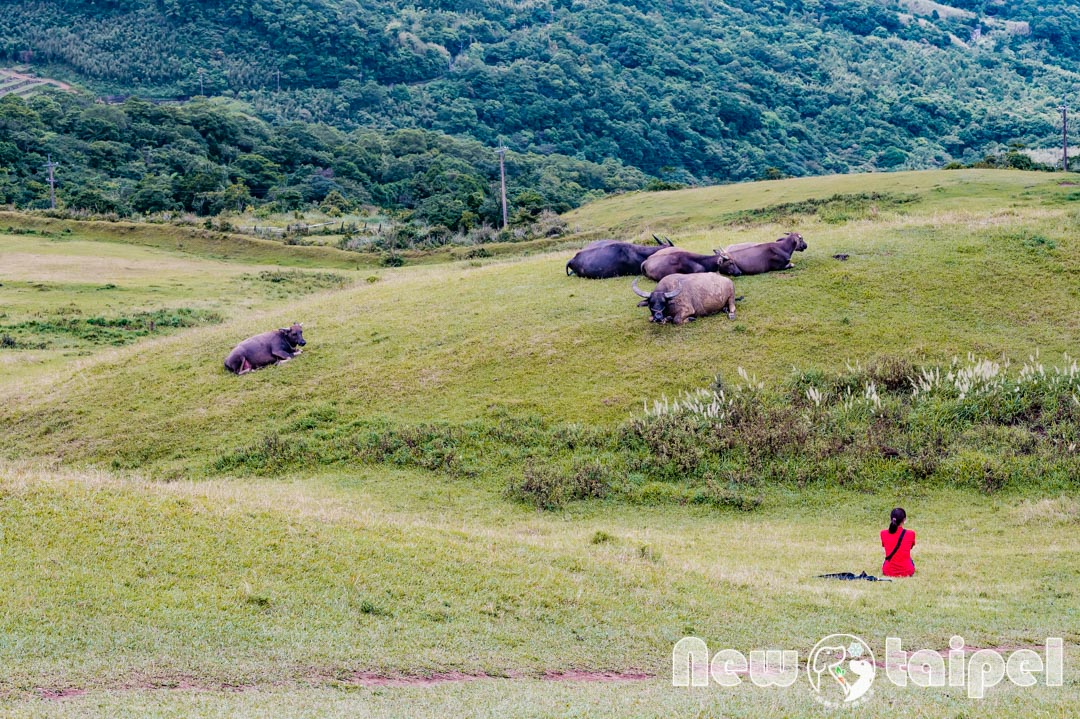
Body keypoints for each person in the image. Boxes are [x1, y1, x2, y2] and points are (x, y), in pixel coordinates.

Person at [881, 507, 915, 577]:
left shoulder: (883, 533)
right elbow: (910, 547)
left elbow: (886, 546)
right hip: (907, 571)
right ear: (904, 520)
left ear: (891, 519)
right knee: (909, 559)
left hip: (888, 571)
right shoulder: (911, 534)